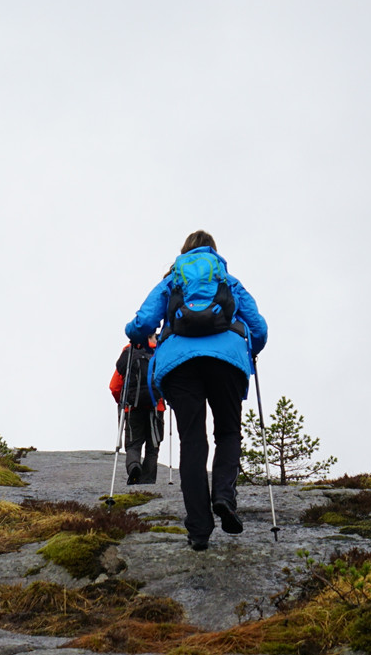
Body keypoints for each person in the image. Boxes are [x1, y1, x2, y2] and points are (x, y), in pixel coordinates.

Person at [125, 230, 268, 550]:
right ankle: (224, 498)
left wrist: (132, 332)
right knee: (228, 432)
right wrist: (249, 350)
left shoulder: (173, 279)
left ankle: (199, 529)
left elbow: (143, 323)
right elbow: (258, 328)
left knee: (193, 439)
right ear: (214, 252)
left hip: (179, 365)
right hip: (226, 361)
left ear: (184, 251)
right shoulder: (227, 279)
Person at [109, 337, 162, 486]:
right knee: (153, 447)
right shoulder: (160, 351)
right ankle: (148, 481)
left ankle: (134, 466)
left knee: (133, 444)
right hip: (156, 408)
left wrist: (123, 401)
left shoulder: (129, 351)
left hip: (133, 407)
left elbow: (114, 386)